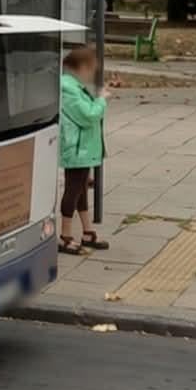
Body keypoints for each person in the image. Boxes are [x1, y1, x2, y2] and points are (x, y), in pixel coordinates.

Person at [59, 43, 109, 255]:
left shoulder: (74, 86)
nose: (92, 74)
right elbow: (88, 115)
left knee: (81, 190)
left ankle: (87, 232)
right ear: (81, 67)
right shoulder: (68, 88)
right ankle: (65, 236)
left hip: (83, 148)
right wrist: (101, 100)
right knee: (73, 190)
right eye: (91, 69)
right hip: (77, 149)